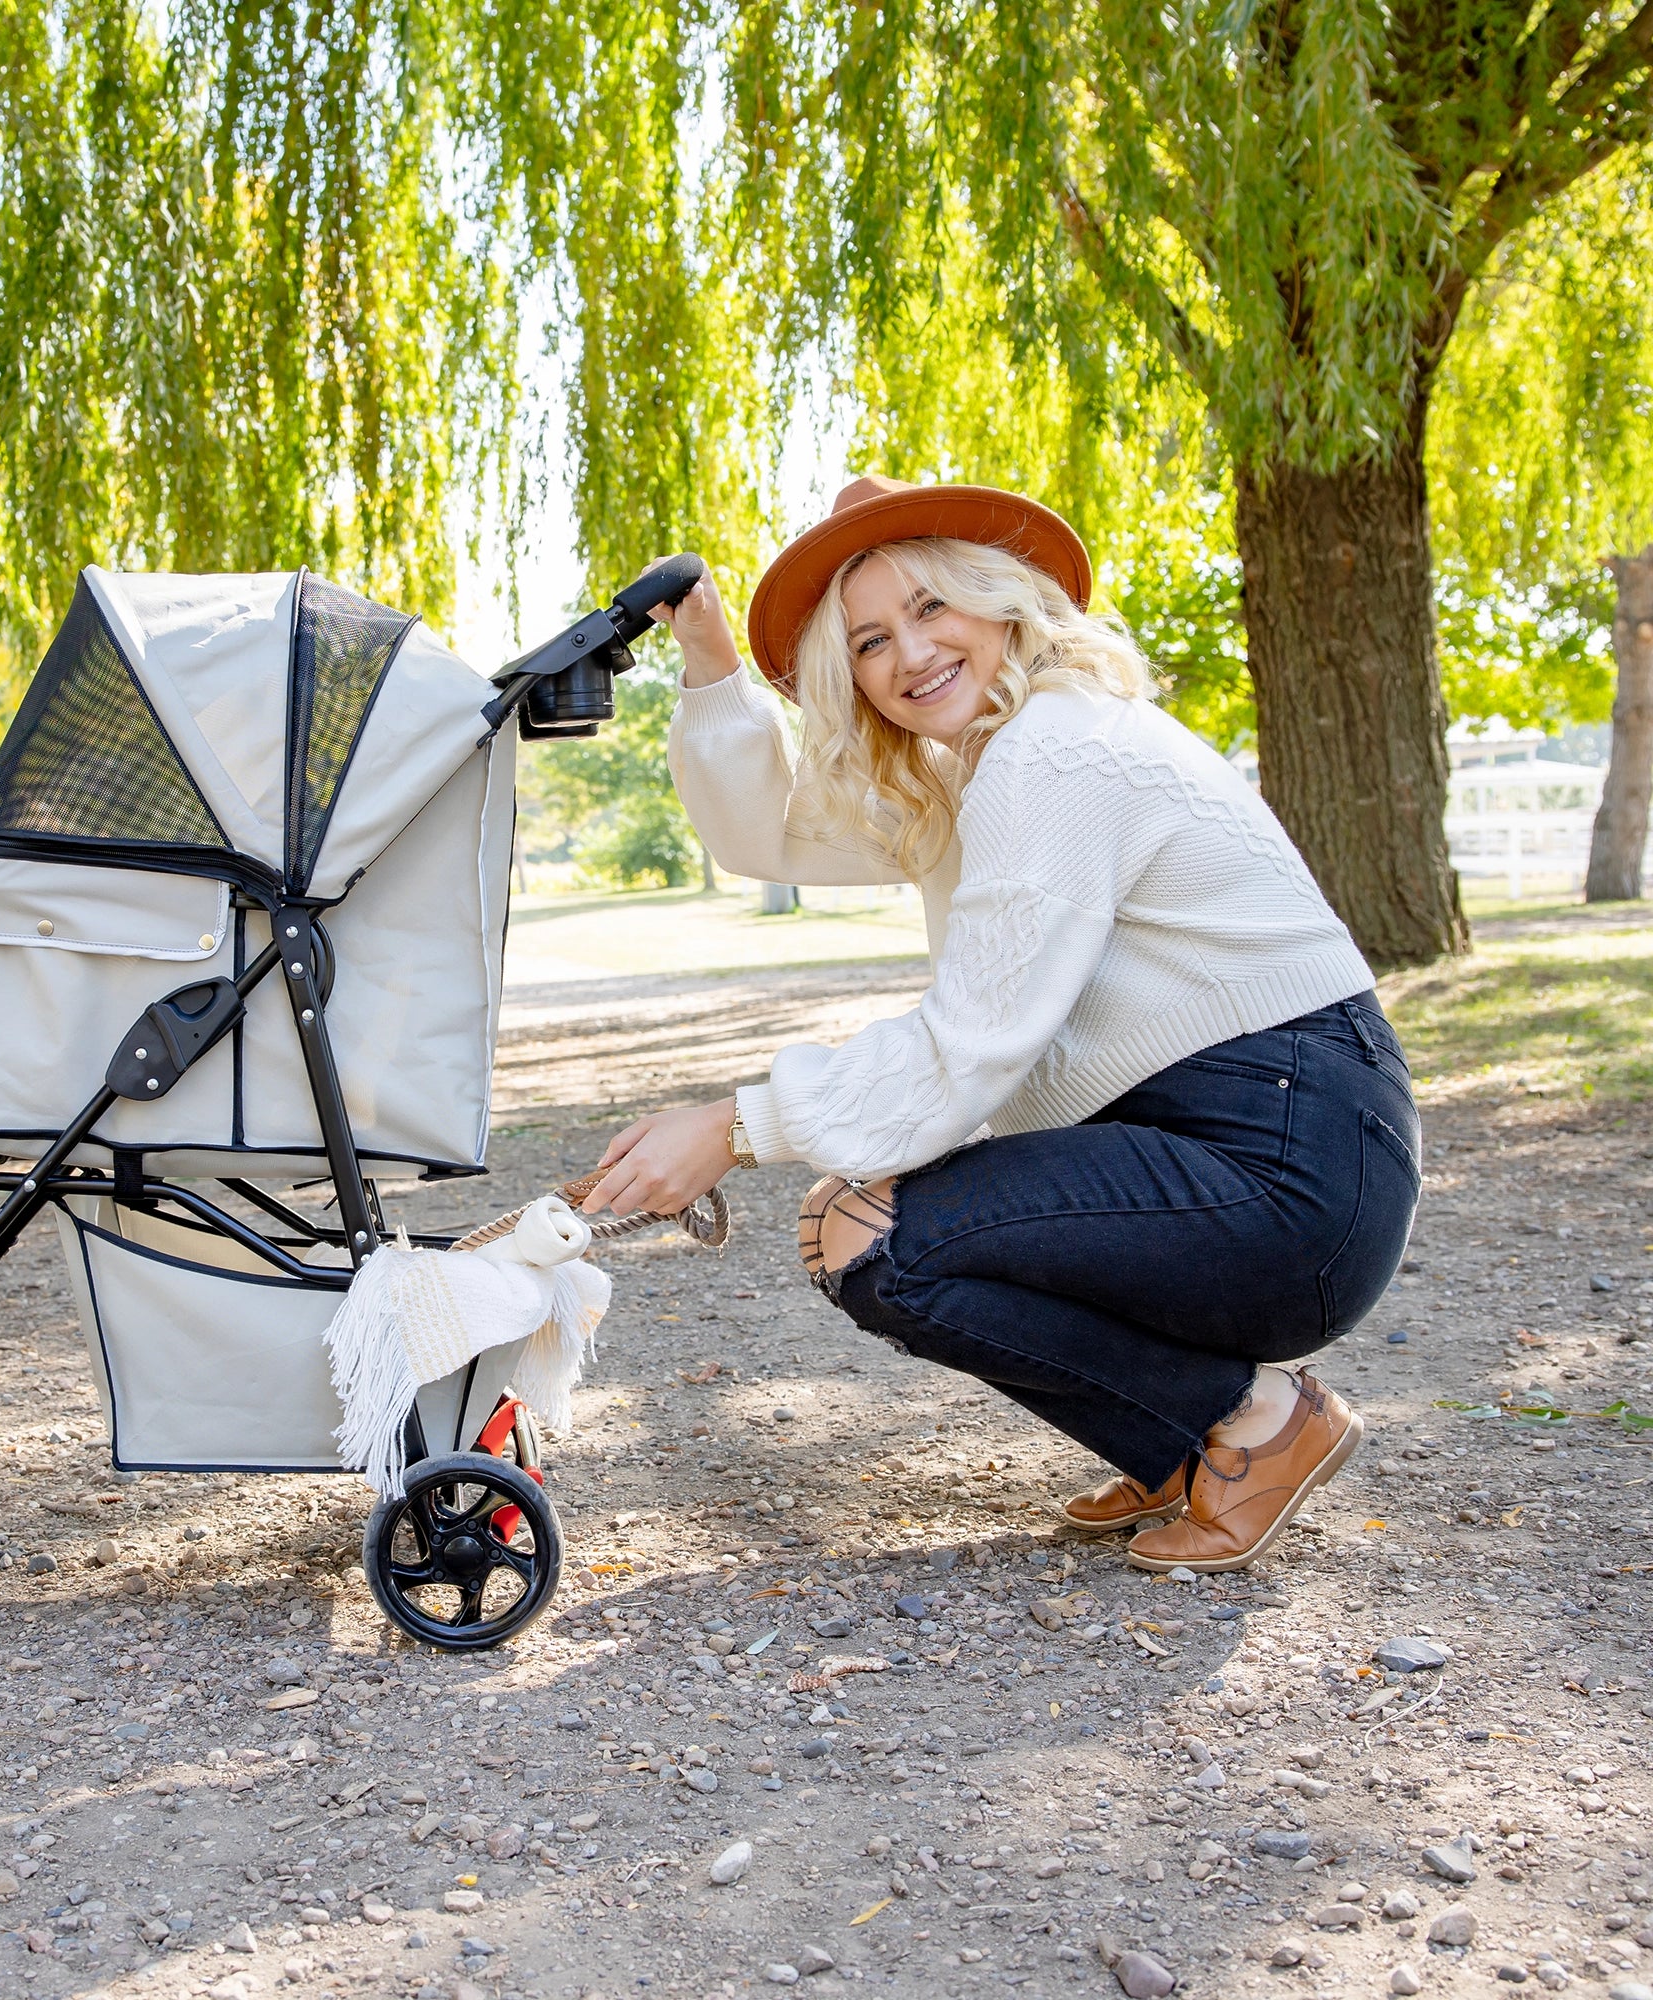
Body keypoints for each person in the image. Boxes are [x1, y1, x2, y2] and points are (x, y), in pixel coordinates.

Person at [581, 476, 1421, 1573]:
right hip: (1263, 1155)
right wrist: (708, 659)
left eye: (931, 605)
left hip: (1288, 1163)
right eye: (869, 641)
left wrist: (735, 1126)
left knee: (872, 1232)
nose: (910, 653)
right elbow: (767, 839)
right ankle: (1186, 1446)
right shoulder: (980, 770)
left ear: (1002, 599)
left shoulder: (1054, 749)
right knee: (849, 1216)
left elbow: (967, 1045)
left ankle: (1252, 1420)